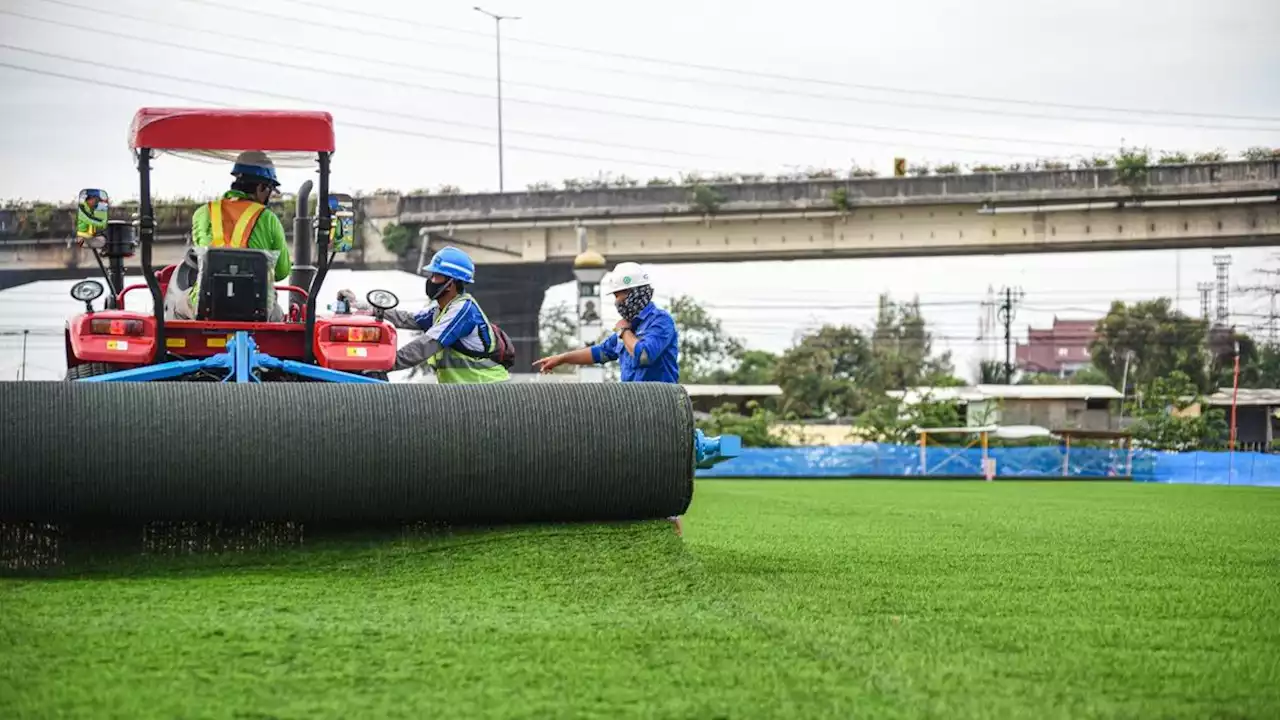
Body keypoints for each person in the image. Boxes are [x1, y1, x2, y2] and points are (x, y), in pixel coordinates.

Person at [337, 246, 510, 383]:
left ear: (451, 283)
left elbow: (427, 345)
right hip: (463, 393)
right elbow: (407, 319)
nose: (431, 280)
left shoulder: (463, 311)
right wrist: (359, 305)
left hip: (488, 390)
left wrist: (383, 363)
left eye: (436, 276)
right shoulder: (442, 309)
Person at [173, 151, 292, 319]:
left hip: (206, 305)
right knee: (278, 313)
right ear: (261, 187)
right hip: (256, 309)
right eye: (270, 191)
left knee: (178, 305)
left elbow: (200, 256)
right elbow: (281, 272)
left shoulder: (203, 213)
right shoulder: (268, 218)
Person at [533, 261, 679, 382]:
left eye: (618, 295)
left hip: (660, 404)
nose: (616, 302)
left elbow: (644, 355)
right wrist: (562, 358)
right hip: (634, 404)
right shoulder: (630, 326)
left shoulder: (660, 321)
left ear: (633, 293)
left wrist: (624, 331)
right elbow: (600, 352)